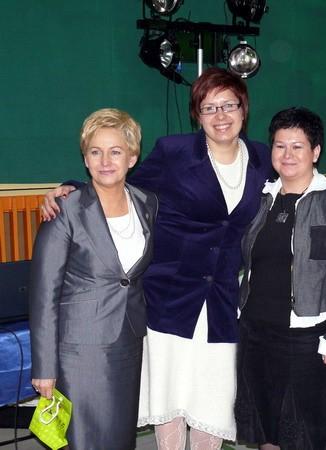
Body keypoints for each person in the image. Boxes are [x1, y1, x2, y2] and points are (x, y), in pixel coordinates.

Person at [41, 68, 273, 449]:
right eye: (209, 107)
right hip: (170, 298)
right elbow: (123, 184)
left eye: (228, 105)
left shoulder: (263, 158)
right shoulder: (175, 151)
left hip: (223, 303)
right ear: (197, 115)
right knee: (171, 401)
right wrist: (71, 189)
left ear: (243, 109)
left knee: (213, 402)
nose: (220, 115)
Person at [30, 108, 158, 449]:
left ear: (132, 157)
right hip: (78, 350)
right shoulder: (65, 210)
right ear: (85, 159)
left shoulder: (147, 203)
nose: (105, 161)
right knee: (83, 440)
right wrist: (44, 366)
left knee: (121, 437)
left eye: (115, 151)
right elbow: (44, 295)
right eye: (95, 152)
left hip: (128, 341)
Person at [234, 107, 326, 450]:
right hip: (256, 333)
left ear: (315, 152)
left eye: (297, 146)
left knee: (306, 434)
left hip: (306, 338)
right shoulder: (262, 198)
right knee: (267, 431)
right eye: (280, 146)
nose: (287, 154)